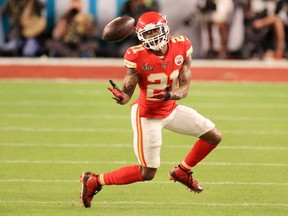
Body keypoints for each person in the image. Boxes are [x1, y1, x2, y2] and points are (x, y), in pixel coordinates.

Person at [80, 11, 222, 208]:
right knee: (147, 173)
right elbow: (128, 93)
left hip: (170, 108)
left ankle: (183, 171)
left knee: (213, 136)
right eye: (147, 34)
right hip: (147, 115)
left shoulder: (182, 45)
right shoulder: (136, 55)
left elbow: (184, 87)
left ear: (165, 29)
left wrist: (173, 95)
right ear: (140, 35)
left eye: (155, 31)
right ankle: (95, 180)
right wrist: (122, 97)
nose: (152, 37)